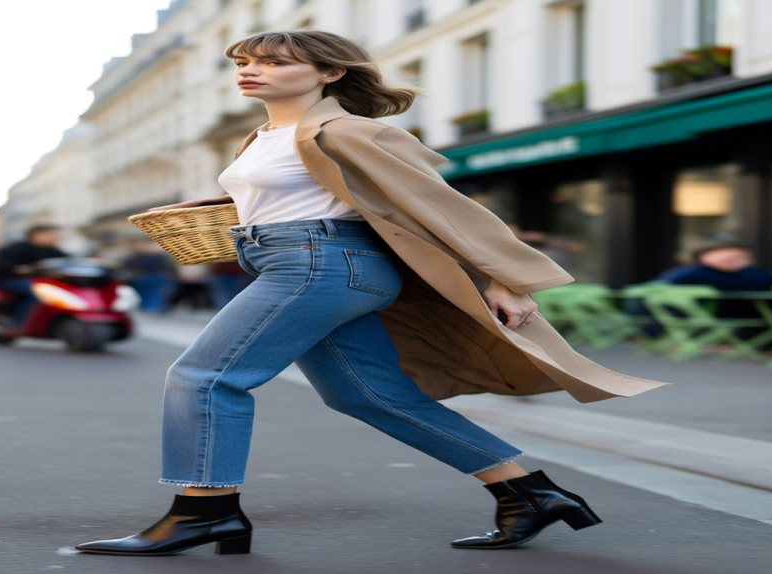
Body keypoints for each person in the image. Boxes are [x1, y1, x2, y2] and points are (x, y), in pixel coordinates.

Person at [75, 30, 665, 558]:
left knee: (205, 378)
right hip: (298, 262)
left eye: (274, 63)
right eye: (245, 61)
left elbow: (442, 206)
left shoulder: (349, 130)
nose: (251, 70)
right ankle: (529, 493)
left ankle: (204, 513)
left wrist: (504, 278)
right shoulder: (263, 136)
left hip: (320, 264)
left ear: (331, 72)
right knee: (370, 396)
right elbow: (296, 198)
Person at [0, 225, 67, 327]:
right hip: (9, 280)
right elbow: (2, 262)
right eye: (52, 234)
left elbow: (71, 260)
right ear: (37, 234)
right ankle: (18, 324)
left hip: (40, 282)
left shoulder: (55, 251)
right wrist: (17, 268)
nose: (56, 237)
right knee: (37, 293)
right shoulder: (18, 247)